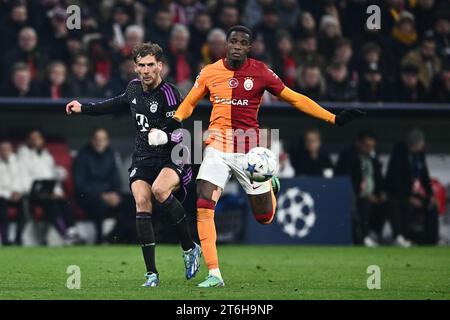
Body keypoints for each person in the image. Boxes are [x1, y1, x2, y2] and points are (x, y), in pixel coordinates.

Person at [167, 25, 364, 287]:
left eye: (242, 42)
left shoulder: (260, 72)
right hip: (217, 145)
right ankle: (214, 273)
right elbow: (190, 101)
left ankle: (271, 184)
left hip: (249, 148)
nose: (237, 46)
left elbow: (294, 98)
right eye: (233, 41)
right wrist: (177, 118)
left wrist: (333, 117)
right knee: (203, 200)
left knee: (264, 217)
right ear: (226, 45)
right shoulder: (210, 72)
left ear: (249, 47)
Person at [66, 43, 201, 287]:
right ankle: (152, 274)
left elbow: (182, 134)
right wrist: (82, 108)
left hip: (173, 155)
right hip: (143, 157)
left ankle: (190, 248)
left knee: (160, 191)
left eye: (151, 65)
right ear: (135, 67)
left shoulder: (170, 94)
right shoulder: (133, 89)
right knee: (141, 201)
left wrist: (166, 136)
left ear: (160, 66)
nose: (146, 70)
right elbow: (113, 104)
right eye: (141, 65)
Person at [73, 128, 127, 244]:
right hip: (88, 197)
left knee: (130, 202)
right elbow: (80, 184)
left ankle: (117, 237)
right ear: (92, 140)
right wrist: (101, 195)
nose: (100, 142)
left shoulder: (111, 155)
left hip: (108, 195)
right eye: (97, 139)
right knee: (99, 204)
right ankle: (99, 239)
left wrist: (115, 194)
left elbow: (115, 179)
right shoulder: (82, 157)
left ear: (107, 141)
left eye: (103, 139)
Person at [386, 129, 439, 245]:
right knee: (405, 205)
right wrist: (408, 197)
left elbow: (426, 178)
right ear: (415, 142)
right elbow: (394, 181)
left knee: (432, 206)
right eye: (421, 141)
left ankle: (431, 240)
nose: (423, 144)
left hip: (412, 193)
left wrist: (430, 195)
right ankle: (402, 237)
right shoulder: (400, 153)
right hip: (399, 194)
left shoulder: (419, 155)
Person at [335, 132, 387, 247]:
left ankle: (376, 234)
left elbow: (378, 178)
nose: (369, 149)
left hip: (373, 195)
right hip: (356, 195)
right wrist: (363, 193)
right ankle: (363, 237)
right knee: (364, 204)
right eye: (366, 146)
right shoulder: (349, 157)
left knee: (388, 204)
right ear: (358, 143)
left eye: (372, 147)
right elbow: (349, 180)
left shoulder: (373, 159)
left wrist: (381, 192)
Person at [0, 139, 27, 245]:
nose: (5, 151)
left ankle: (18, 238)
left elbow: (22, 179)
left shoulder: (18, 162)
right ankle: (5, 240)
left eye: (8, 149)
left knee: (25, 211)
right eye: (2, 149)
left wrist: (17, 191)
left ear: (12, 150)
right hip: (2, 195)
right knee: (3, 214)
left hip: (16, 195)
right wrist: (8, 194)